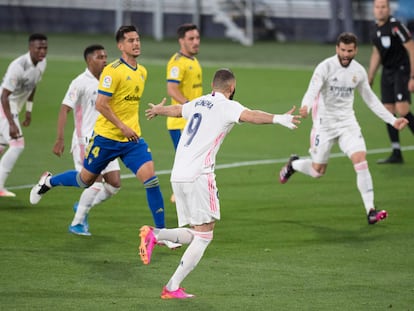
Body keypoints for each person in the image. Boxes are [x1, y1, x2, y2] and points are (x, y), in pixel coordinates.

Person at [138, 68, 300, 299]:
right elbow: (251, 115)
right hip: (199, 175)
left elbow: (177, 110)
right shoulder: (228, 105)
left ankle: (156, 235)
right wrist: (278, 118)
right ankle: (171, 284)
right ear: (231, 88)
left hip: (178, 174)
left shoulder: (199, 102)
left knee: (199, 232)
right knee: (204, 236)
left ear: (213, 85)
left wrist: (158, 110)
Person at [29, 25, 167, 237]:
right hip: (105, 138)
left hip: (132, 140)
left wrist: (156, 110)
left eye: (138, 39)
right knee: (85, 180)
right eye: (131, 40)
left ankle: (162, 234)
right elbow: (101, 105)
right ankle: (48, 182)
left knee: (150, 180)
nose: (136, 43)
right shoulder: (112, 71)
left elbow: (128, 106)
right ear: (121, 46)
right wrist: (122, 126)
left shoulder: (142, 71)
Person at [279, 32, 408, 225]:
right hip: (325, 125)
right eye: (343, 50)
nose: (346, 54)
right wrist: (305, 106)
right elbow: (312, 90)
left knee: (360, 159)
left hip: (348, 123)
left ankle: (370, 210)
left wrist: (392, 120)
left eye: (350, 50)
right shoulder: (325, 67)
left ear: (355, 50)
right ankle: (293, 165)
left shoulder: (359, 72)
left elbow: (371, 99)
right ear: (337, 48)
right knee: (317, 171)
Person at [52, 44, 121, 236]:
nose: (105, 60)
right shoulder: (80, 82)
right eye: (100, 57)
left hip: (106, 139)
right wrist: (60, 138)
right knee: (95, 183)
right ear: (89, 60)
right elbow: (64, 108)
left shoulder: (108, 82)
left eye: (106, 56)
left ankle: (82, 205)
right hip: (85, 141)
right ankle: (77, 223)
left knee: (114, 184)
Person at [0, 33, 48, 197]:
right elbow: (4, 96)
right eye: (39, 48)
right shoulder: (18, 66)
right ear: (30, 48)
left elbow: (33, 86)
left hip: (15, 108)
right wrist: (12, 123)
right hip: (4, 106)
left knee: (1, 146)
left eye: (45, 48)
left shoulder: (42, 64)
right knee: (17, 144)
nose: (42, 51)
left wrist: (28, 110)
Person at [368, 0, 414, 164]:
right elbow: (376, 53)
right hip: (387, 72)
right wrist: (370, 76)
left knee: (402, 110)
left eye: (383, 7)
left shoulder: (396, 26)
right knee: (388, 112)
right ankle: (396, 152)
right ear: (374, 9)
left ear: (388, 9)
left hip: (401, 71)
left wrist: (412, 76)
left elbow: (411, 49)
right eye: (377, 7)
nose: (380, 10)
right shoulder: (374, 29)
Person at [166, 23, 202, 203]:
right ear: (181, 41)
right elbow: (172, 89)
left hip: (193, 122)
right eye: (191, 39)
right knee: (188, 162)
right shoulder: (177, 63)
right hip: (180, 123)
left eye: (197, 38)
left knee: (194, 161)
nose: (196, 42)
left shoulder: (193, 61)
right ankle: (180, 195)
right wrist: (189, 106)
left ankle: (181, 194)